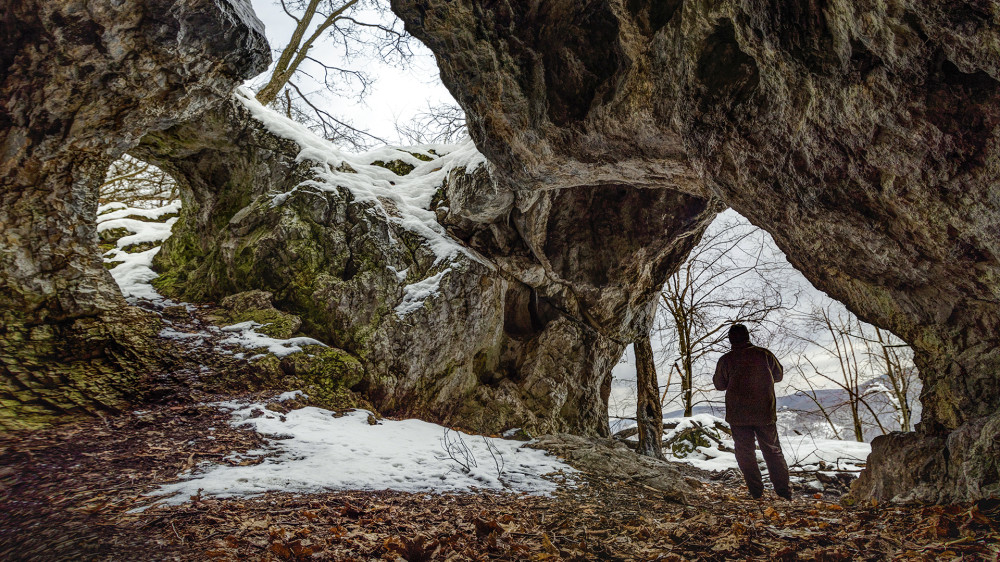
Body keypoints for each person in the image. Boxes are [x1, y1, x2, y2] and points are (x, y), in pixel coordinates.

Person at [713, 323, 791, 500]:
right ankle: (784, 493)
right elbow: (778, 376)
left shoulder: (726, 360)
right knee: (773, 451)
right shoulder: (764, 354)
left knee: (745, 453)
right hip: (765, 412)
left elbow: (719, 384)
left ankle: (756, 492)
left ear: (730, 339)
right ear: (748, 336)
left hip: (738, 415)